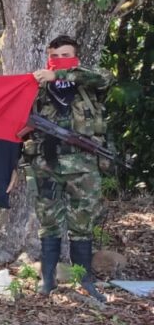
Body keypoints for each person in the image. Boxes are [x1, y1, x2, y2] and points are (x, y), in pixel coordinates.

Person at [21, 35, 114, 303]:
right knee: (48, 223)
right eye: (55, 56)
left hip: (83, 165)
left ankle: (85, 280)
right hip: (46, 164)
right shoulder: (36, 88)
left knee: (82, 224)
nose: (60, 60)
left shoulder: (88, 83)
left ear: (76, 58)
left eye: (66, 55)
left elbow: (104, 77)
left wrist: (59, 74)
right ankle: (48, 280)